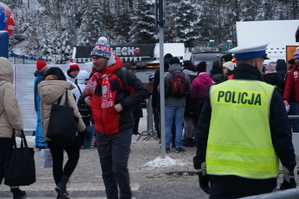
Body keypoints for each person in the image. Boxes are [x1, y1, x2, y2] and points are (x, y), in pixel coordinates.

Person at [193, 42, 297, 198]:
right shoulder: (269, 94)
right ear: (257, 62)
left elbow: (201, 134)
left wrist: (201, 170)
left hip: (221, 174)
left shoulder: (215, 91)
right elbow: (282, 138)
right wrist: (289, 175)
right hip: (260, 176)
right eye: (262, 61)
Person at [83, 36, 148, 199]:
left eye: (97, 58)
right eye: (93, 58)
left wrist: (123, 104)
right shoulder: (95, 76)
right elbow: (86, 94)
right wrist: (85, 99)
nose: (94, 61)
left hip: (121, 128)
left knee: (118, 167)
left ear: (106, 57)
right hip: (101, 129)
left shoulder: (122, 74)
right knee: (107, 170)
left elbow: (143, 91)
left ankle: (126, 196)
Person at [38, 67, 86, 199]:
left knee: (57, 161)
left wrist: (45, 135)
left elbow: (42, 115)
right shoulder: (65, 90)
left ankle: (60, 192)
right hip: (66, 129)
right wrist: (83, 129)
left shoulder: (42, 91)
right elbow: (75, 111)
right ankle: (63, 183)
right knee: (74, 156)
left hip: (51, 131)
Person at [0, 57, 27, 199]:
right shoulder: (6, 86)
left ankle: (16, 190)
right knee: (7, 162)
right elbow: (12, 110)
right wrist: (18, 127)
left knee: (5, 162)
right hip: (4, 133)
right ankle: (16, 191)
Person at [161, 57, 192, 153]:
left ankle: (166, 146)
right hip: (181, 103)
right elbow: (190, 89)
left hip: (168, 103)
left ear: (170, 64)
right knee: (179, 124)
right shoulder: (185, 75)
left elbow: (159, 89)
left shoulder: (167, 75)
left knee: (167, 124)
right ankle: (178, 146)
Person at [152, 53, 173, 141]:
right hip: (173, 99)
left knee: (161, 120)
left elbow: (155, 88)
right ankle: (174, 138)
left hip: (160, 99)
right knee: (173, 121)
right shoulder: (173, 71)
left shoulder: (159, 71)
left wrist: (154, 103)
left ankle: (162, 137)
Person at [283, 48, 299, 133]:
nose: (297, 61)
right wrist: (285, 98)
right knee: (296, 120)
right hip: (295, 101)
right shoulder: (292, 72)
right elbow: (288, 86)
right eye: (296, 59)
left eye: (298, 59)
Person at [33, 60, 48, 149]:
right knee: (41, 122)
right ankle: (41, 141)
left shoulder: (37, 77)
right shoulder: (40, 79)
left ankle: (38, 140)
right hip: (40, 104)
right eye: (45, 67)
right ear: (42, 68)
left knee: (39, 122)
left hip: (37, 103)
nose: (47, 68)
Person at [182, 61, 197, 147]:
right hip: (196, 101)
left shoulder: (184, 75)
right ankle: (193, 137)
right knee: (194, 120)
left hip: (187, 100)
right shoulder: (196, 75)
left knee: (187, 121)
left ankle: (188, 138)